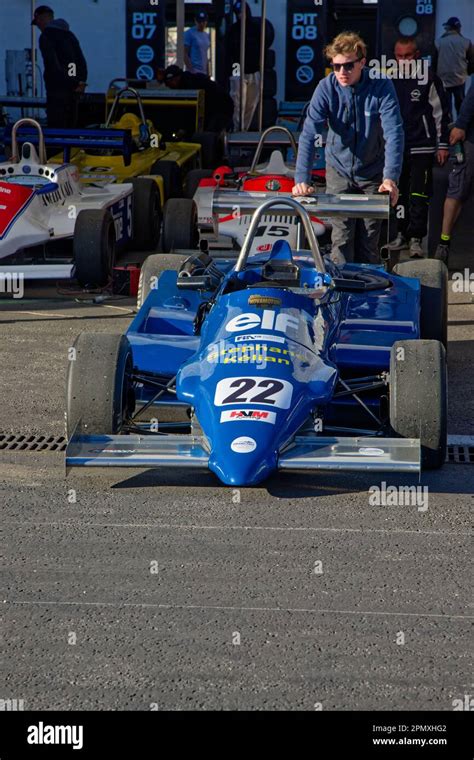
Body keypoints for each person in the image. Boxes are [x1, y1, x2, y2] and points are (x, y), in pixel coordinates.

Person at [293, 32, 404, 266]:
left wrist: (390, 178)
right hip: (339, 171)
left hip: (373, 173)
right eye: (336, 66)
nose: (342, 72)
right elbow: (309, 133)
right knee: (341, 240)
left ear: (362, 62)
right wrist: (301, 179)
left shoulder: (382, 86)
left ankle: (371, 295)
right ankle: (340, 296)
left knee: (368, 242)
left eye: (348, 66)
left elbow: (394, 133)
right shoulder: (325, 88)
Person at [387, 36, 450, 258]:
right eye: (399, 56)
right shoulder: (387, 78)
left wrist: (442, 145)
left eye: (407, 56)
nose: (403, 60)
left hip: (422, 147)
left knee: (418, 195)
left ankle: (416, 239)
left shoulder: (428, 78)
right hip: (396, 149)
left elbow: (441, 113)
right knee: (398, 194)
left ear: (417, 55)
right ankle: (401, 235)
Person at [434, 78, 474, 265]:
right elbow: (471, 96)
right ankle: (444, 243)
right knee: (458, 189)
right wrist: (461, 124)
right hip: (472, 137)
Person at [32, 5, 87, 129]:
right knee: (70, 127)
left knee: (57, 129)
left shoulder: (46, 36)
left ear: (40, 20)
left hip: (57, 91)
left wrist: (67, 81)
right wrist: (78, 81)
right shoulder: (69, 35)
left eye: (38, 23)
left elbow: (53, 63)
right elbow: (75, 61)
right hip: (73, 91)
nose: (39, 27)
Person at [163, 65, 233, 133]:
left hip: (221, 108)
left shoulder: (190, 85)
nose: (171, 85)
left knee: (210, 136)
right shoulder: (188, 83)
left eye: (172, 81)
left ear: (178, 78)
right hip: (217, 108)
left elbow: (191, 111)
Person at [228, 1, 262, 131]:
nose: (240, 16)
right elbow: (228, 52)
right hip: (237, 69)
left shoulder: (255, 28)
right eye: (238, 13)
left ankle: (244, 130)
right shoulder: (233, 30)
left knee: (251, 103)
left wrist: (259, 67)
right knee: (237, 102)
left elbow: (261, 49)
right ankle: (237, 129)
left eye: (242, 12)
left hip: (253, 70)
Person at [435, 17, 474, 117]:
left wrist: (435, 77)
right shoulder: (466, 42)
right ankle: (462, 127)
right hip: (460, 79)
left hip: (443, 79)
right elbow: (472, 61)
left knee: (446, 106)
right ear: (458, 28)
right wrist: (468, 72)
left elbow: (434, 62)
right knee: (461, 105)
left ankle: (448, 126)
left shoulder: (438, 42)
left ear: (448, 28)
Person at [184, 11, 210, 76]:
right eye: (199, 22)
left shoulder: (206, 35)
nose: (201, 24)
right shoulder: (189, 33)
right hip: (194, 71)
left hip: (204, 72)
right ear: (195, 21)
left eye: (203, 22)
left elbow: (205, 54)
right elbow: (184, 53)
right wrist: (192, 70)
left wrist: (208, 72)